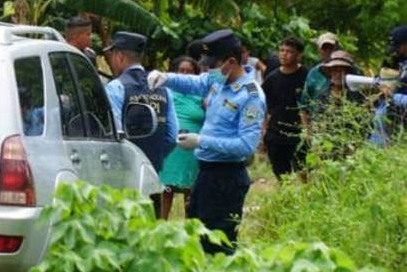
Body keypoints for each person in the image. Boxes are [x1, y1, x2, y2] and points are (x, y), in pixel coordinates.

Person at [147, 29, 266, 255]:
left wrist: (201, 141)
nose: (207, 69)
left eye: (212, 64)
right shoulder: (218, 81)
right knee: (197, 238)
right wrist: (166, 77)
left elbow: (246, 145)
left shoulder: (250, 95)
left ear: (231, 62)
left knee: (219, 245)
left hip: (227, 178)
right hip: (205, 175)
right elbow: (194, 82)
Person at [103, 32, 177, 215]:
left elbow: (113, 135)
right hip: (153, 176)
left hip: (123, 180)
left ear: (119, 56)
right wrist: (153, 156)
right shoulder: (163, 89)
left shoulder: (116, 88)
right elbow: (172, 136)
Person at [158, 56, 204, 219]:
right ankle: (160, 230)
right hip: (171, 149)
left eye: (189, 71)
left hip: (192, 150)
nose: (185, 74)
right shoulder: (166, 92)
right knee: (166, 191)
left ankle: (189, 233)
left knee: (191, 193)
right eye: (181, 71)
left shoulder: (201, 95)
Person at [260, 37, 309, 182]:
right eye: (282, 50)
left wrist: (310, 131)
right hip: (276, 134)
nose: (284, 54)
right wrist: (263, 130)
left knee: (304, 174)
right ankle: (285, 202)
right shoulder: (272, 78)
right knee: (281, 176)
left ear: (298, 55)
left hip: (300, 134)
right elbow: (261, 105)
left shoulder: (307, 76)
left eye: (289, 51)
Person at [299, 32, 361, 128]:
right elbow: (304, 105)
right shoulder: (314, 75)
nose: (328, 51)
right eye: (324, 48)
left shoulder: (355, 87)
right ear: (319, 50)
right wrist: (308, 131)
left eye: (331, 47)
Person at [371, 24, 407, 146]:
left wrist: (394, 96)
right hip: (395, 109)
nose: (396, 50)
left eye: (399, 46)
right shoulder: (398, 58)